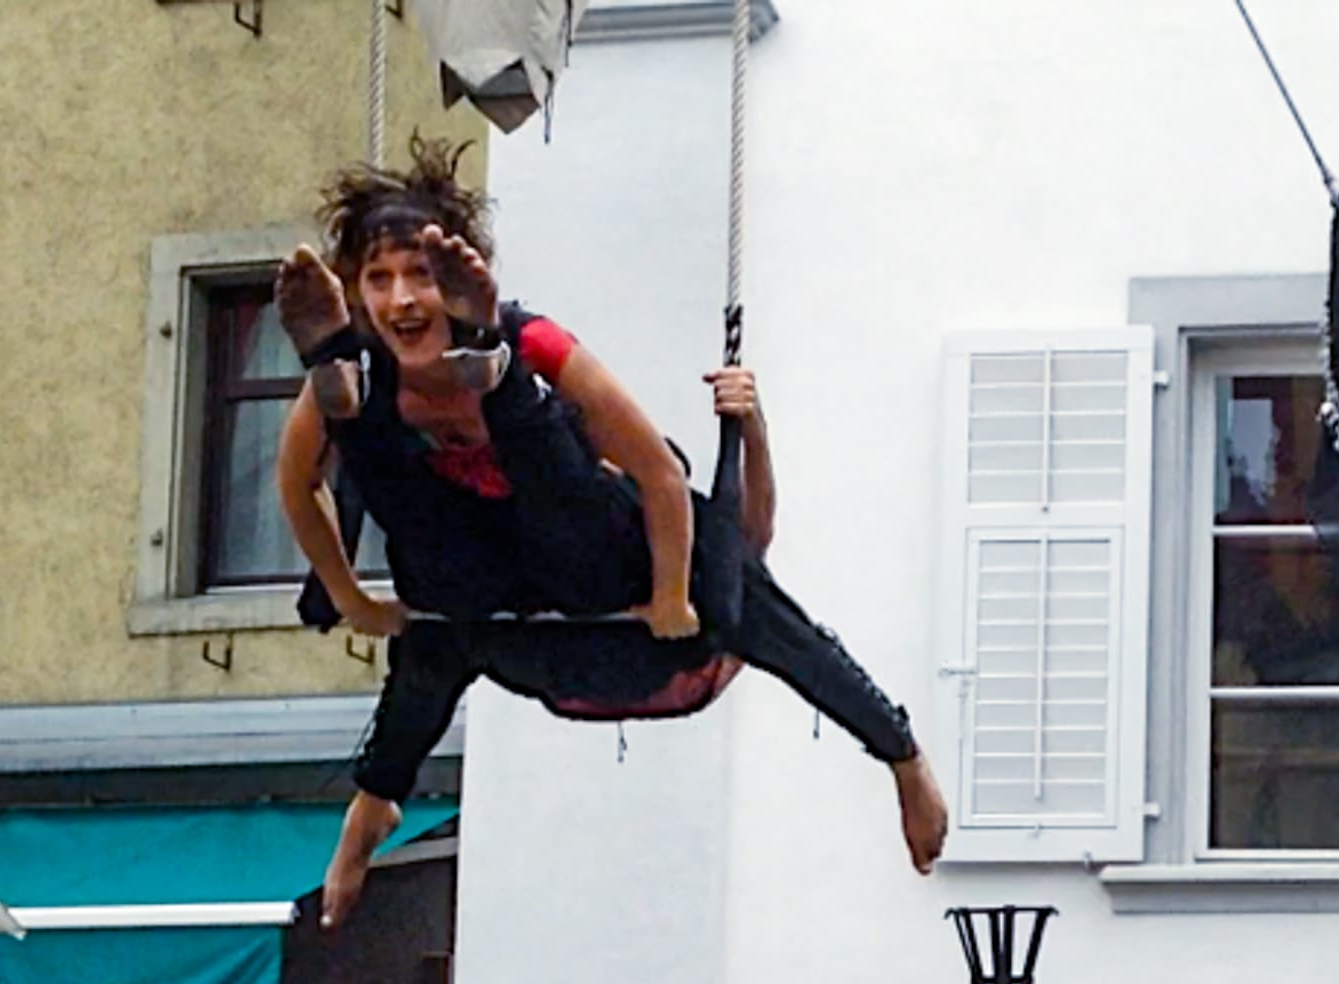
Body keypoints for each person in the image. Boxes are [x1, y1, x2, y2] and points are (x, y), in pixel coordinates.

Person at [273, 138, 948, 929]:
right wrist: (352, 598)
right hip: (516, 614)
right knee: (431, 568)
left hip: (618, 600)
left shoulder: (545, 345)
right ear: (356, 297)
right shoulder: (362, 374)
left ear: (456, 278)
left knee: (615, 532)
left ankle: (494, 368)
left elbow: (666, 480)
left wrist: (672, 595)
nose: (402, 300)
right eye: (379, 281)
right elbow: (298, 485)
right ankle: (374, 803)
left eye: (421, 275)